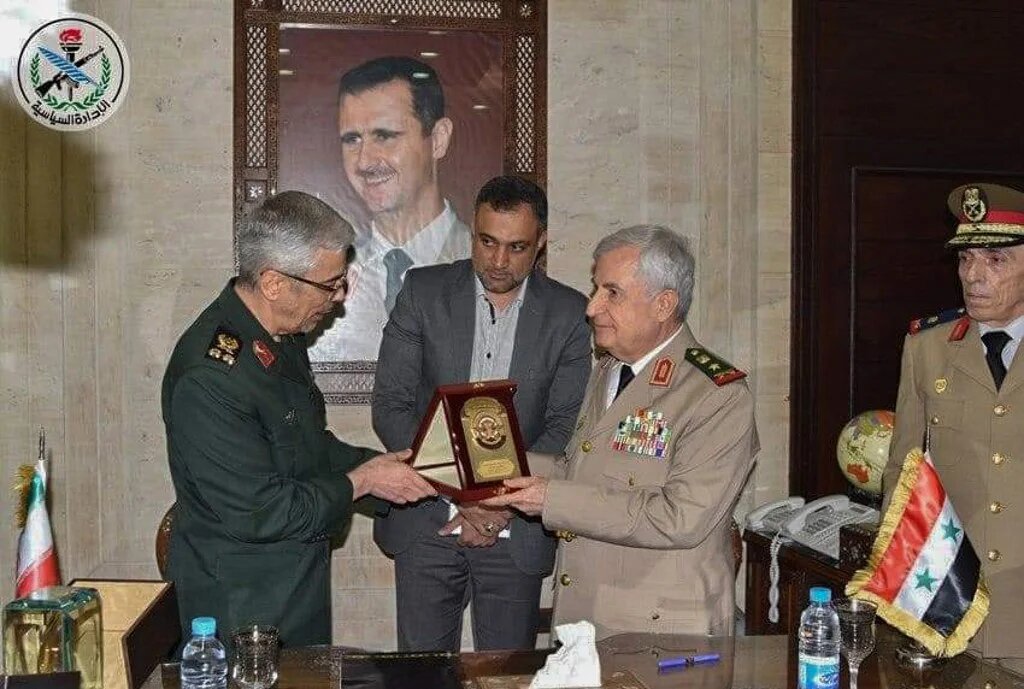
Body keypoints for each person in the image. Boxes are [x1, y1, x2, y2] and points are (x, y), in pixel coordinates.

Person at [162, 191, 436, 649]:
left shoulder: (279, 338)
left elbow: (306, 446)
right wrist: (362, 483)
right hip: (242, 609)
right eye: (329, 284)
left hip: (292, 590)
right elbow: (263, 510)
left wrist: (387, 467)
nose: (340, 297)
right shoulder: (211, 377)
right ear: (273, 283)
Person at [484, 225, 759, 641]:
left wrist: (550, 498)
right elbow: (581, 469)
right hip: (586, 619)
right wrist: (495, 461)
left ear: (664, 304)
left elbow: (679, 517)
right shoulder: (611, 370)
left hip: (660, 633)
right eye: (596, 289)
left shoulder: (716, 395)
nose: (592, 307)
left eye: (612, 293)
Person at [371, 176, 592, 651]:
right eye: (487, 242)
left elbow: (563, 428)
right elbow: (392, 406)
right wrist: (467, 497)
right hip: (427, 518)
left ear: (542, 243)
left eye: (516, 247)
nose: (497, 261)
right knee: (422, 680)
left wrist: (497, 506)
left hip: (516, 529)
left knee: (506, 676)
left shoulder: (571, 313)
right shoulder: (423, 291)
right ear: (472, 230)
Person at [884, 182, 1024, 669]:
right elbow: (902, 475)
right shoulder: (928, 348)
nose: (973, 276)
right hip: (950, 601)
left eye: (995, 260)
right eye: (966, 259)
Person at [310, 56, 470, 361]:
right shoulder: (328, 274)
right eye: (351, 139)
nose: (364, 161)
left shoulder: (485, 264)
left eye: (384, 136)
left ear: (438, 139)